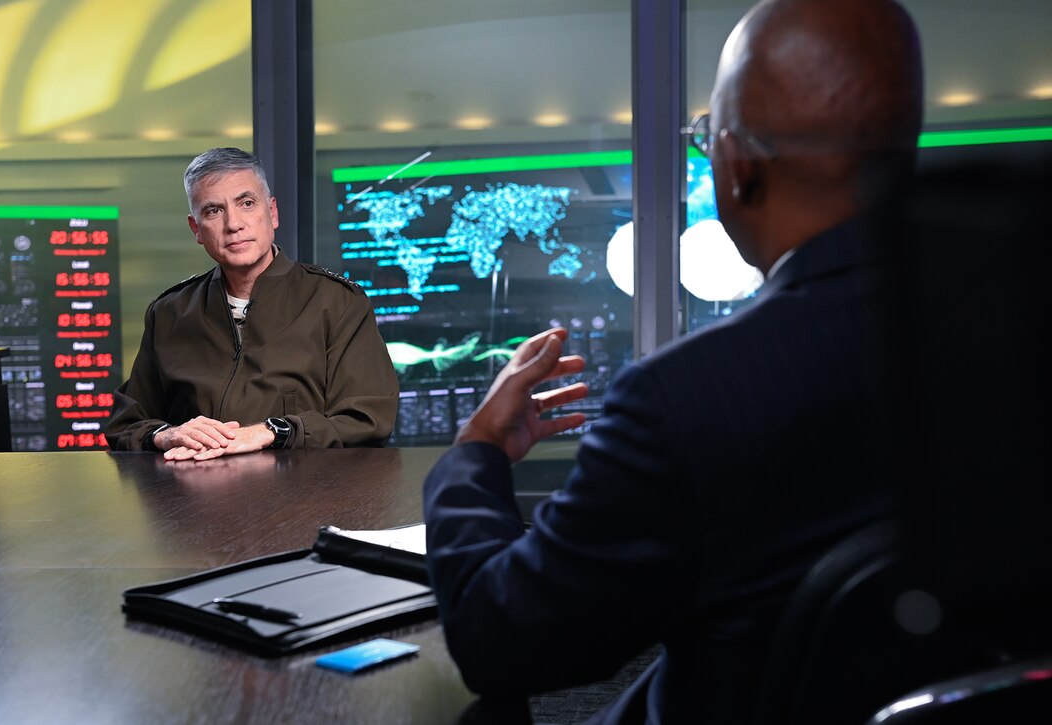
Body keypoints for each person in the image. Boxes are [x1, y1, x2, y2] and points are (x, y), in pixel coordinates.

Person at [422, 0, 924, 722]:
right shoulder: (1011, 336)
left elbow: (502, 640)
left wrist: (474, 453)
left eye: (704, 139)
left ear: (740, 164)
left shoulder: (689, 399)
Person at [106, 147, 399, 460]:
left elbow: (368, 420)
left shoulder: (338, 302)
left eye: (246, 203)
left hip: (309, 500)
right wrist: (167, 434)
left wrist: (273, 431)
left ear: (272, 212)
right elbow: (126, 424)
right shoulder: (170, 313)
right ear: (197, 230)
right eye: (213, 211)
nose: (234, 224)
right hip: (194, 502)